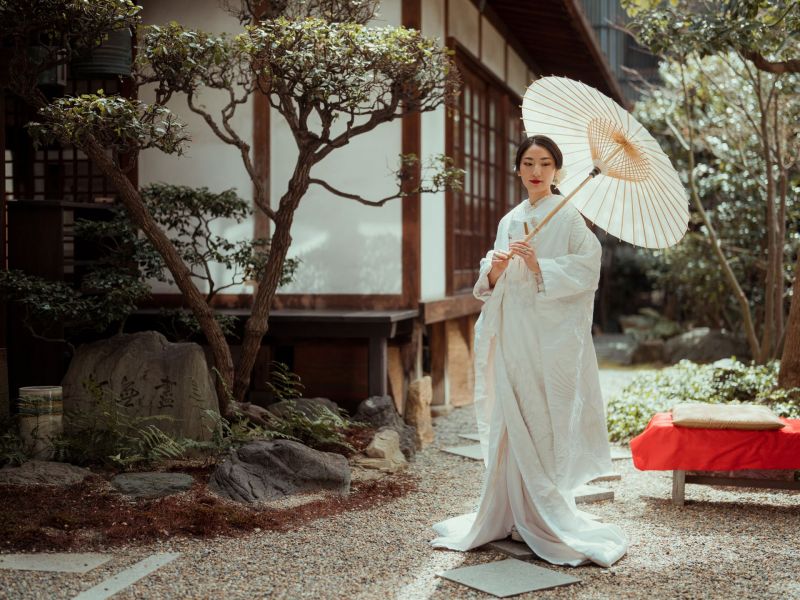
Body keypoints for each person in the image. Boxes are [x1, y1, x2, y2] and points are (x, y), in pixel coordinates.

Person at [430, 135, 628, 567]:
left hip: (548, 336)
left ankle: (541, 510)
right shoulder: (510, 218)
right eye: (528, 162)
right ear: (518, 169)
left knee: (540, 412)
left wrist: (542, 266)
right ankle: (507, 509)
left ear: (557, 170)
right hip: (513, 328)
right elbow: (490, 279)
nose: (536, 171)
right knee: (509, 411)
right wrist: (497, 268)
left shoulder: (570, 216)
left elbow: (587, 268)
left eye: (544, 163)